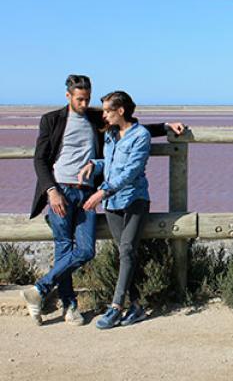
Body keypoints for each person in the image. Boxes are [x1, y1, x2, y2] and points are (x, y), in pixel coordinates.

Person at [21, 75, 185, 326]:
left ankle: (39, 290)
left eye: (88, 98)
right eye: (80, 99)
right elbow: (40, 160)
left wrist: (165, 126)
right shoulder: (51, 120)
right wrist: (51, 191)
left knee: (85, 250)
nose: (85, 103)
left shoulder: (98, 118)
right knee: (64, 247)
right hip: (61, 192)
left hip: (89, 193)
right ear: (68, 96)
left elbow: (130, 126)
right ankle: (69, 305)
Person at [79, 91, 152, 329]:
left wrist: (102, 192)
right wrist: (94, 164)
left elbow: (130, 171)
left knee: (128, 249)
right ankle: (138, 306)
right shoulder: (110, 134)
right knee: (125, 254)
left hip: (133, 201)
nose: (104, 115)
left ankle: (115, 307)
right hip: (112, 205)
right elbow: (110, 164)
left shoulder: (141, 135)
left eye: (108, 111)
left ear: (121, 110)